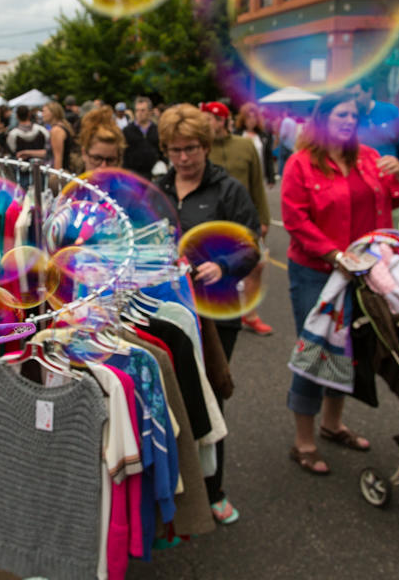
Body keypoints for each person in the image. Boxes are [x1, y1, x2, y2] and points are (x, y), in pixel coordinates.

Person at [280, 93, 399, 475]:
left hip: (364, 271)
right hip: (317, 271)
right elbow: (296, 221)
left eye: (353, 116)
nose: (348, 121)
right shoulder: (301, 164)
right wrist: (335, 256)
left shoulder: (371, 159)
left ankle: (332, 423)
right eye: (340, 114)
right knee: (317, 348)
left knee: (350, 346)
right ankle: (303, 440)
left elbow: (397, 197)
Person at [156, 103, 260, 526]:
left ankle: (215, 490)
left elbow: (250, 244)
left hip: (215, 312)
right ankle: (179, 488)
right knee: (174, 398)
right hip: (167, 308)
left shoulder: (228, 190)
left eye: (192, 148)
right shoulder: (158, 187)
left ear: (207, 145)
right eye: (176, 149)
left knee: (211, 393)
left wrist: (225, 265)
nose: (184, 157)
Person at [201, 101, 274, 336]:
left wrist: (263, 218)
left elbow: (257, 184)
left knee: (256, 265)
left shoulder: (245, 145)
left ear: (221, 120)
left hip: (244, 218)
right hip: (213, 220)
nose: (204, 123)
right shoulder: (202, 148)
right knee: (215, 266)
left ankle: (250, 315)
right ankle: (216, 317)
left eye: (208, 119)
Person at [349, 78, 399, 178]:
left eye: (357, 95)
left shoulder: (390, 111)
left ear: (369, 91)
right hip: (362, 179)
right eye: (351, 96)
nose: (354, 100)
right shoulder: (349, 117)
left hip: (390, 178)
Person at [6, 105, 49, 188]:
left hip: (23, 170)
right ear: (29, 114)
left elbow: (13, 149)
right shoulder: (41, 130)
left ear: (17, 116)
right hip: (40, 168)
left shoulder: (13, 134)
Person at [234, 102, 275, 187]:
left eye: (254, 117)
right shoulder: (236, 134)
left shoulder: (263, 135)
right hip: (241, 177)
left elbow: (268, 157)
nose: (252, 120)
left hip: (259, 177)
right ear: (243, 119)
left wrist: (271, 178)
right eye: (248, 117)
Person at [122, 96, 161, 180]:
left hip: (153, 174)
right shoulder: (127, 130)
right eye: (137, 110)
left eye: (143, 110)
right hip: (132, 175)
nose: (139, 113)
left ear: (150, 112)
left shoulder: (157, 130)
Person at [77, 107, 126, 172]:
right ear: (84, 153)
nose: (103, 167)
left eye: (110, 160)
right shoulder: (70, 181)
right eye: (97, 158)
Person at [278, 110, 298, 179]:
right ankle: (290, 173)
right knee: (290, 160)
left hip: (284, 143)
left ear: (286, 114)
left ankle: (280, 174)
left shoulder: (285, 121)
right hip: (291, 144)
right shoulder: (294, 122)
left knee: (281, 159)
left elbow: (283, 133)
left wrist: (281, 140)